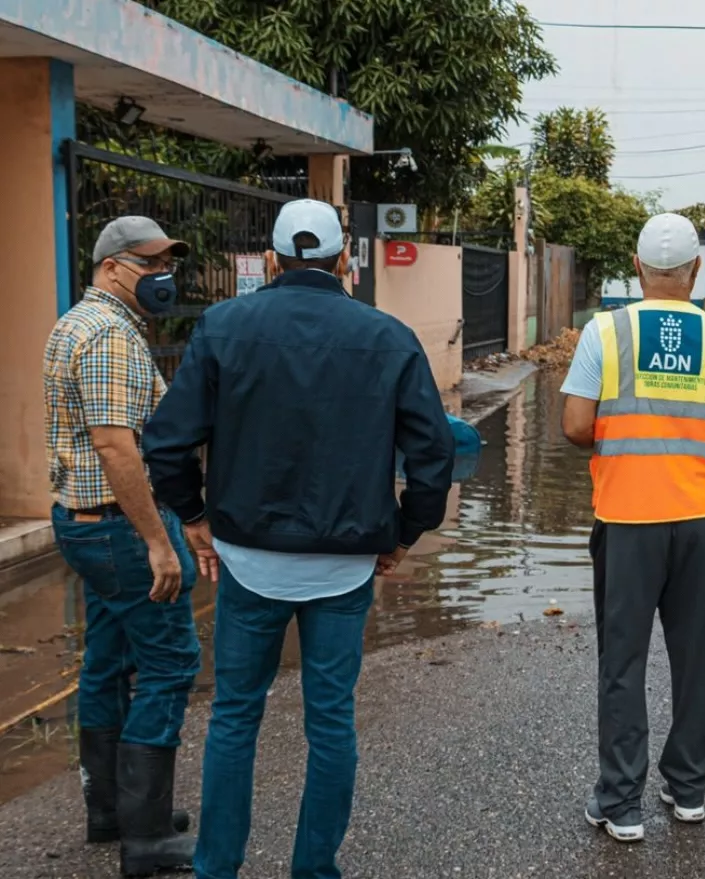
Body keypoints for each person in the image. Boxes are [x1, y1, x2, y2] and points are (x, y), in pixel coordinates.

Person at [142, 199, 455, 879]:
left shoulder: (224, 325)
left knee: (233, 717)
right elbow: (433, 456)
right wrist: (403, 532)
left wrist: (194, 517)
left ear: (274, 262)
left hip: (248, 558)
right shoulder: (388, 336)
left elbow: (166, 439)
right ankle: (314, 869)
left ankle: (216, 867)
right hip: (346, 564)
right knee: (331, 721)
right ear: (345, 259)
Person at [560, 213, 705, 843]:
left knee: (624, 661)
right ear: (696, 271)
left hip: (626, 520)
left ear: (638, 268)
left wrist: (622, 433)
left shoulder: (606, 332)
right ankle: (688, 789)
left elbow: (573, 426)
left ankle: (620, 803)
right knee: (696, 658)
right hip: (699, 520)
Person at [42, 216, 199, 875]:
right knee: (170, 661)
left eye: (168, 263)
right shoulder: (108, 334)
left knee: (107, 658)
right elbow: (115, 446)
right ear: (112, 267)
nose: (163, 276)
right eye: (149, 263)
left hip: (83, 522)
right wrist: (157, 541)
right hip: (116, 526)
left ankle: (111, 809)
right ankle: (147, 836)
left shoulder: (77, 322)